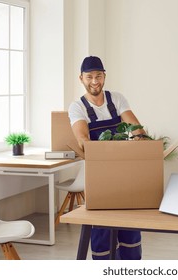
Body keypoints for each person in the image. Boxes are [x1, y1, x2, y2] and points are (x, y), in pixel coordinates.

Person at [68, 56, 146, 259]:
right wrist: (106, 154)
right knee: (102, 224)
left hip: (124, 172)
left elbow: (137, 128)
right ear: (81, 78)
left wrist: (140, 141)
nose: (95, 81)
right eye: (90, 77)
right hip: (98, 175)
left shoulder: (117, 99)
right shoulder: (78, 107)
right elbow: (82, 139)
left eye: (99, 76)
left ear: (104, 76)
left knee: (129, 222)